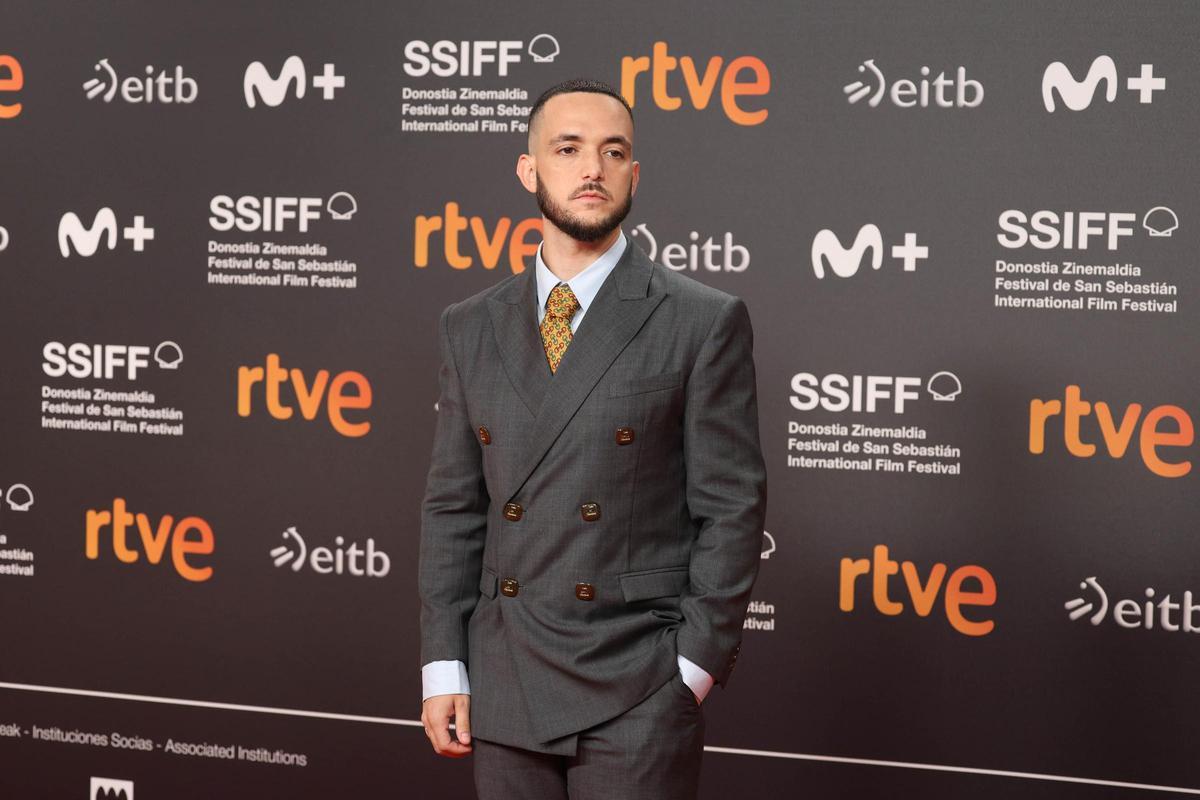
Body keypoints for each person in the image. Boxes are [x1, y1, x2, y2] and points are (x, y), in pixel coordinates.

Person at [418, 77, 767, 800]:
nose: (592, 169)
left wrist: (692, 668)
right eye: (568, 148)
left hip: (636, 679)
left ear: (634, 173)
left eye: (612, 152)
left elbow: (732, 508)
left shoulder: (700, 319)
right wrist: (444, 665)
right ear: (529, 170)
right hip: (504, 675)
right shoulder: (469, 325)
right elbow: (454, 508)